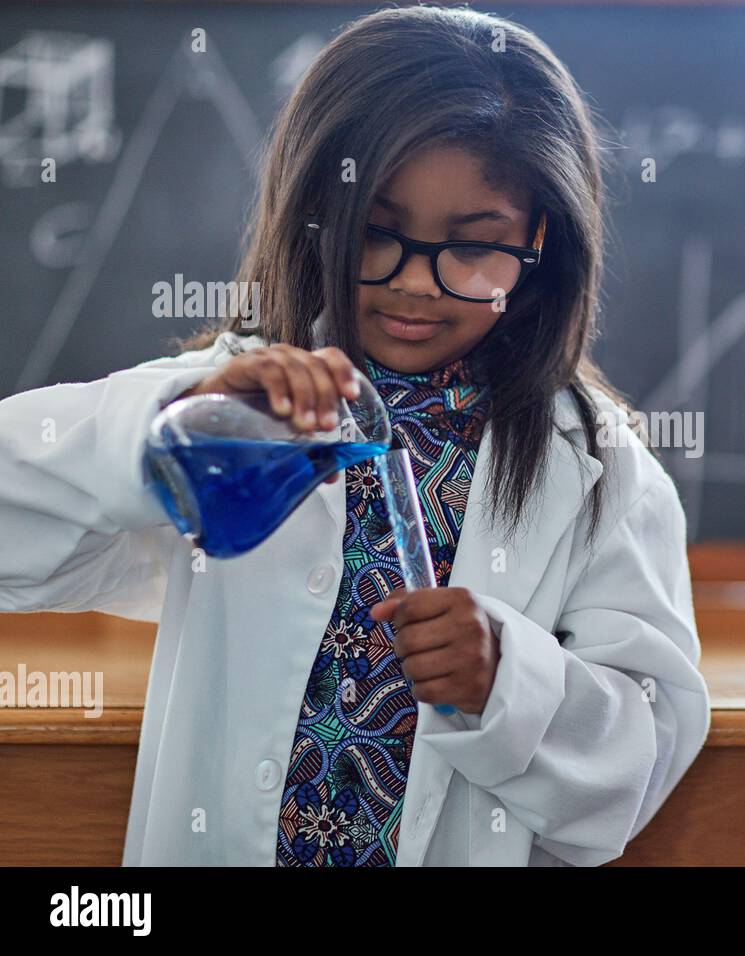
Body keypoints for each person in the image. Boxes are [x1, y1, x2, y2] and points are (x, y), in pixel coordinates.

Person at [0, 4, 709, 866]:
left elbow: (648, 747)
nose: (415, 285)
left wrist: (508, 684)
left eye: (474, 247)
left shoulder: (599, 470)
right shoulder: (239, 411)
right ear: (311, 211)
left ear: (541, 242)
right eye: (376, 233)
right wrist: (179, 422)